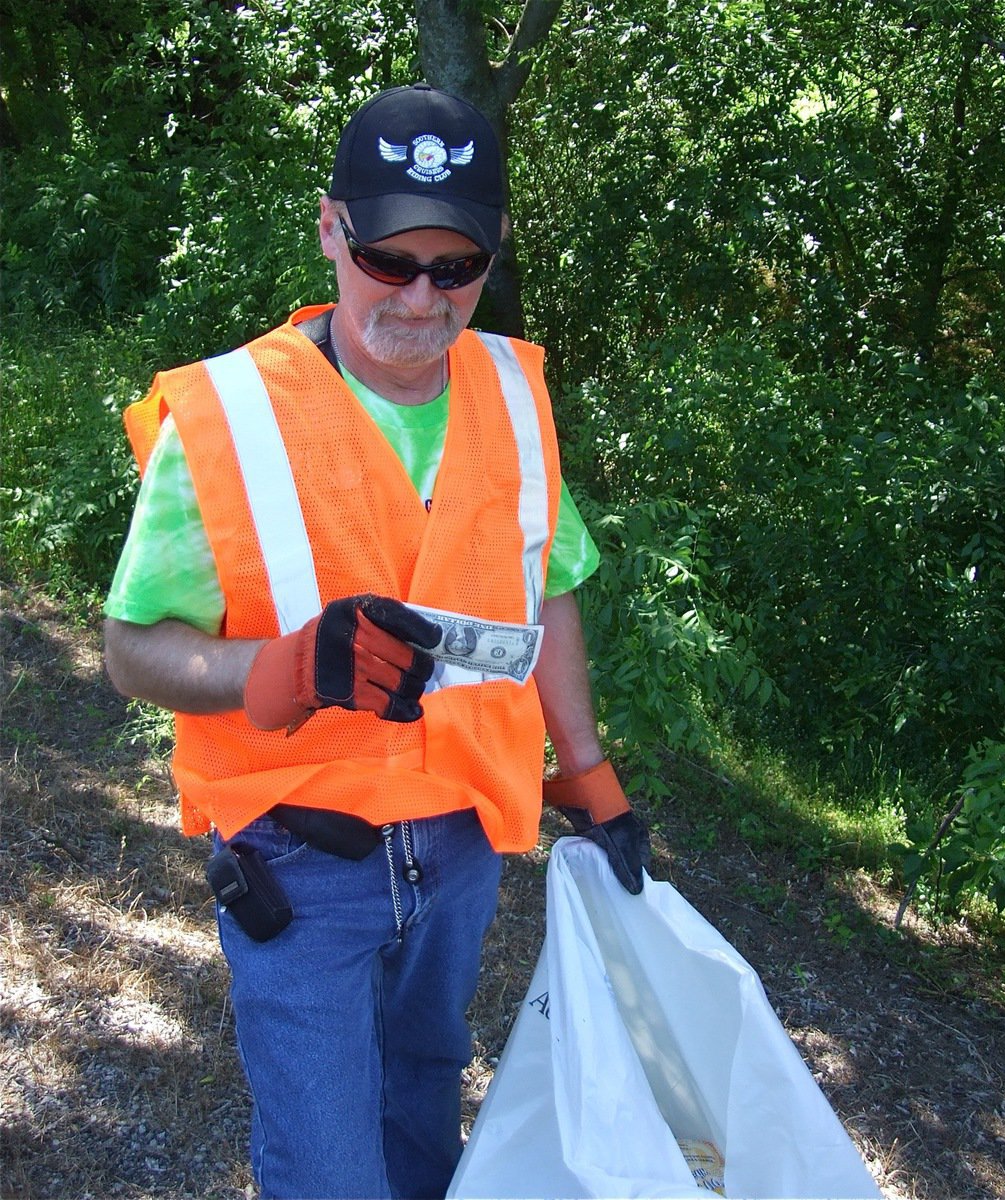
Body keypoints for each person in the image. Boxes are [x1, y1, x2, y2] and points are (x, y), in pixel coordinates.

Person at [103, 82, 650, 1200]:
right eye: (388, 259)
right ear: (329, 230)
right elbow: (129, 649)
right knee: (330, 1170)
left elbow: (545, 594)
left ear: (490, 256)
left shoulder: (512, 392)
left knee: (422, 1111)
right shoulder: (227, 419)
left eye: (454, 267)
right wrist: (285, 667)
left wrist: (586, 772)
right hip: (300, 870)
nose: (419, 295)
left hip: (456, 849)